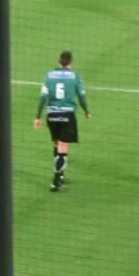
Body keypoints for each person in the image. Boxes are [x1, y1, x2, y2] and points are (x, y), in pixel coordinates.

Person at [34, 51, 90, 192]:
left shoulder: (49, 75)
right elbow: (81, 96)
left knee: (56, 144)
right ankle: (56, 181)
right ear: (71, 62)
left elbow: (43, 96)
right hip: (67, 115)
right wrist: (86, 111)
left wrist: (38, 116)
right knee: (63, 146)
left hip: (52, 115)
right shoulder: (75, 76)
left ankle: (61, 174)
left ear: (59, 61)